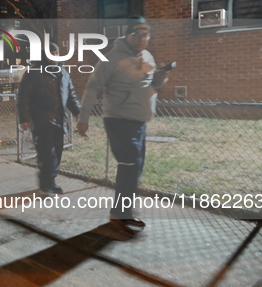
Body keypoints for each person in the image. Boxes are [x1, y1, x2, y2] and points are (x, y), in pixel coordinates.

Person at [77, 16, 168, 234]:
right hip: (118, 120)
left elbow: (152, 84)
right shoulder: (111, 59)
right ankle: (120, 215)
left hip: (139, 121)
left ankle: (122, 213)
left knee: (134, 168)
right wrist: (83, 118)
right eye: (137, 35)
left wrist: (161, 78)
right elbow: (92, 87)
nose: (141, 39)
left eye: (145, 35)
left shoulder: (148, 56)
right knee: (129, 166)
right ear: (127, 35)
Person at [17, 43, 81, 196]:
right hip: (41, 121)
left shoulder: (64, 74)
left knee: (57, 155)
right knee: (48, 155)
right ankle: (45, 186)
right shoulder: (34, 73)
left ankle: (50, 183)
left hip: (59, 122)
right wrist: (25, 118)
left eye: (56, 54)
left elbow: (71, 96)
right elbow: (23, 97)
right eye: (51, 54)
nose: (54, 58)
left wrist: (79, 112)